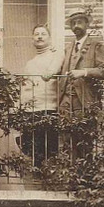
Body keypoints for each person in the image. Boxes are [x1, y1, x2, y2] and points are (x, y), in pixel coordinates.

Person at [20, 24, 61, 167]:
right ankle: (35, 175)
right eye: (36, 34)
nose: (39, 37)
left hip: (49, 108)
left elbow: (51, 72)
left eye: (43, 34)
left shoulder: (56, 55)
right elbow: (25, 87)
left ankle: (49, 176)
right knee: (32, 149)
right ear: (32, 39)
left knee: (49, 149)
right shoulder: (30, 63)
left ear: (50, 38)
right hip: (31, 110)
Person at [57, 10, 104, 118]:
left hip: (85, 100)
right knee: (63, 128)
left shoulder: (96, 46)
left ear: (87, 24)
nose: (76, 26)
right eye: (73, 23)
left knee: (84, 128)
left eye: (79, 22)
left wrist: (84, 72)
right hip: (65, 101)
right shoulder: (68, 48)